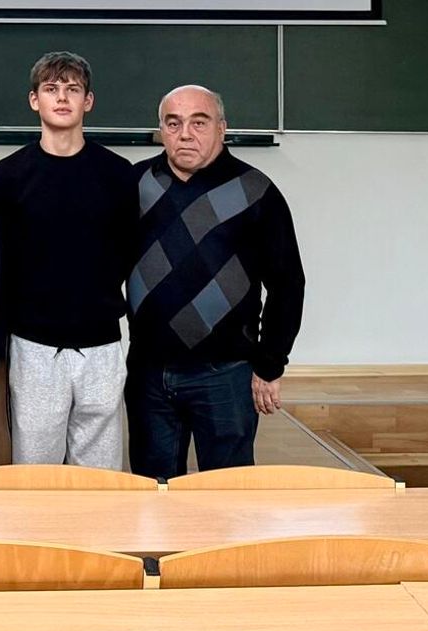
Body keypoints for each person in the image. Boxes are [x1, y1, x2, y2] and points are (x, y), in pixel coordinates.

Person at [125, 84, 305, 479]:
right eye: (173, 123)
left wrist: (271, 364)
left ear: (222, 128)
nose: (185, 134)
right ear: (161, 130)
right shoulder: (134, 184)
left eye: (199, 122)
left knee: (227, 494)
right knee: (153, 493)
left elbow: (288, 283)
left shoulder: (256, 191)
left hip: (225, 375)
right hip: (149, 373)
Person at [0, 53, 137, 469]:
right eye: (51, 89)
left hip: (101, 344)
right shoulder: (7, 176)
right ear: (34, 100)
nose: (63, 98)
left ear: (89, 101)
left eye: (73, 89)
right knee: (36, 472)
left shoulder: (119, 174)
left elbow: (127, 251)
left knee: (101, 475)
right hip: (32, 345)